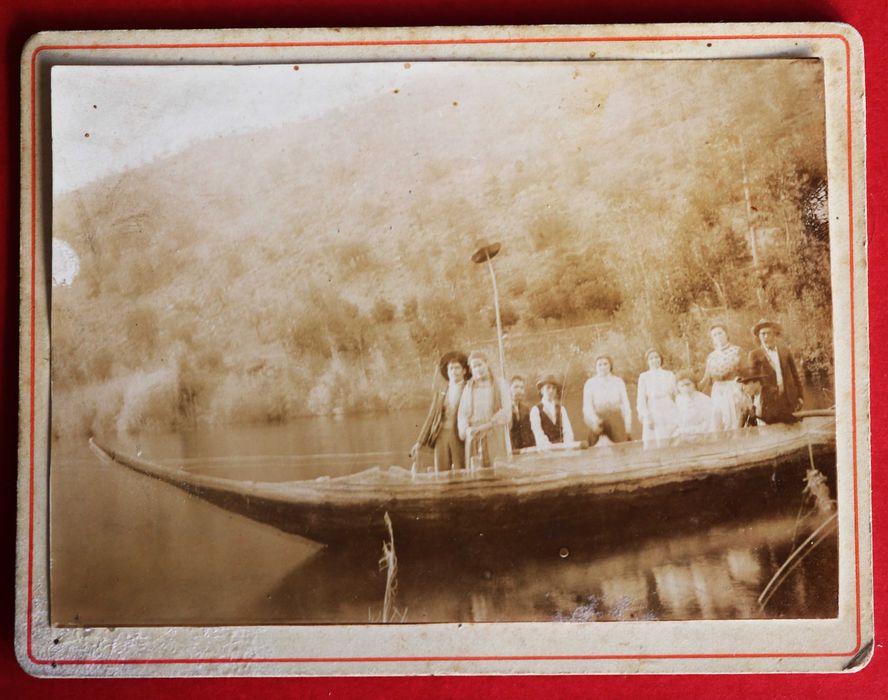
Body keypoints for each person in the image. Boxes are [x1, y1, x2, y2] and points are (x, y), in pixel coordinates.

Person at [410, 351, 470, 471]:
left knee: (462, 469)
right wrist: (420, 442)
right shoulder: (441, 392)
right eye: (451, 368)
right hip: (441, 436)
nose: (454, 371)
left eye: (457, 368)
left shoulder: (469, 388)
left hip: (459, 436)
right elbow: (431, 418)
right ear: (447, 372)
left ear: (464, 371)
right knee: (441, 470)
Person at [457, 351, 512, 468]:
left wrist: (488, 425)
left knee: (498, 468)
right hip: (474, 436)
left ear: (487, 363)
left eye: (480, 364)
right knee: (476, 469)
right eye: (474, 366)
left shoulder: (500, 384)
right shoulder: (468, 388)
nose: (478, 369)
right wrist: (467, 430)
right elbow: (462, 414)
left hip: (495, 433)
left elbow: (507, 410)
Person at [747, 319, 805, 421]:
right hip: (768, 402)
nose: (766, 337)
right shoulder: (754, 355)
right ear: (759, 337)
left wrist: (800, 396)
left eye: (769, 333)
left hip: (789, 399)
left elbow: (795, 375)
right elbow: (752, 383)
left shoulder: (785, 351)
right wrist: (753, 405)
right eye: (763, 334)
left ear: (774, 334)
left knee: (795, 428)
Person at [700, 324, 745, 432]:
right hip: (718, 391)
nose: (718, 336)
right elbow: (707, 379)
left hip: (733, 388)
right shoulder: (711, 356)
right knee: (718, 420)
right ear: (712, 339)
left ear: (727, 334)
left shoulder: (737, 350)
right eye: (714, 335)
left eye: (720, 333)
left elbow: (745, 372)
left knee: (734, 421)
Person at [582, 355, 632, 446]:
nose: (603, 367)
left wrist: (627, 424)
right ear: (596, 367)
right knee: (593, 450)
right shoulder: (590, 383)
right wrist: (595, 420)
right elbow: (587, 407)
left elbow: (625, 404)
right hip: (598, 420)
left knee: (622, 448)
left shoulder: (618, 381)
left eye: (605, 364)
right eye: (599, 365)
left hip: (616, 419)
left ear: (610, 366)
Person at [636, 349, 678, 448]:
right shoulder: (644, 376)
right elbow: (641, 399)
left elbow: (676, 394)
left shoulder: (669, 374)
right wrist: (646, 415)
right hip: (653, 408)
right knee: (654, 440)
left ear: (661, 359)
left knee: (672, 438)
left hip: (668, 407)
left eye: (657, 357)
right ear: (647, 361)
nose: (654, 360)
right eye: (651, 358)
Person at [529, 374, 575, 448]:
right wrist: (550, 448)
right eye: (548, 388)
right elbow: (538, 433)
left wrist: (567, 446)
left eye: (554, 388)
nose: (551, 390)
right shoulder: (535, 410)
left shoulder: (561, 409)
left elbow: (568, 431)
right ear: (542, 390)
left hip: (563, 448)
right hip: (545, 450)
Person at [674, 371, 716, 438]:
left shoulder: (703, 399)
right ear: (678, 387)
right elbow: (679, 420)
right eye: (682, 386)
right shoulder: (679, 399)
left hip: (701, 433)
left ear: (694, 384)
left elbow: (709, 422)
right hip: (684, 433)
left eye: (688, 384)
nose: (685, 388)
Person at [509, 375, 536, 451]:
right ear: (509, 389)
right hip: (511, 450)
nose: (519, 390)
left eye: (521, 387)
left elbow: (529, 432)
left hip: (525, 450)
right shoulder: (504, 409)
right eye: (516, 387)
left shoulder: (526, 409)